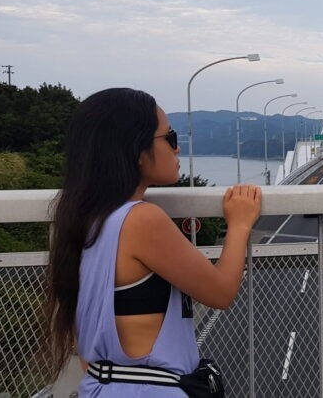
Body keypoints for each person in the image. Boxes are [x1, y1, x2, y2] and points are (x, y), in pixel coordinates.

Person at [44, 88, 261, 395]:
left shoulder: (82, 218)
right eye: (170, 138)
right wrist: (239, 223)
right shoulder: (142, 220)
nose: (177, 149)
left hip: (101, 385)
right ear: (135, 150)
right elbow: (221, 292)